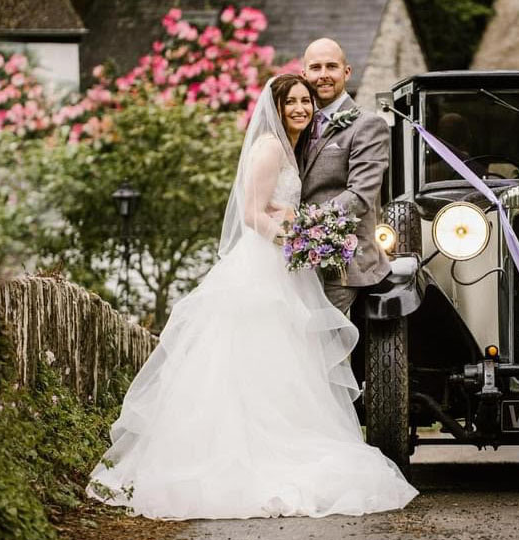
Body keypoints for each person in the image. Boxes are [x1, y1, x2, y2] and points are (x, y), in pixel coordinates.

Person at [85, 74, 418, 520]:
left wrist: (299, 229)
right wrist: (296, 239)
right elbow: (250, 215)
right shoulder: (268, 147)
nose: (300, 107)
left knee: (285, 364)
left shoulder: (291, 146)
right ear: (277, 108)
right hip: (263, 266)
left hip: (285, 267)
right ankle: (241, 456)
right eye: (292, 102)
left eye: (305, 101)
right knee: (253, 360)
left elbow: (279, 207)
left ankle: (283, 443)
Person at [300, 38, 390, 313]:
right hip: (297, 260)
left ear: (346, 72)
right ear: (305, 75)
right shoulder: (298, 123)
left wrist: (303, 226)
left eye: (331, 66)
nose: (323, 74)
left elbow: (361, 195)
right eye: (315, 68)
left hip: (343, 262)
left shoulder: (368, 125)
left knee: (322, 346)